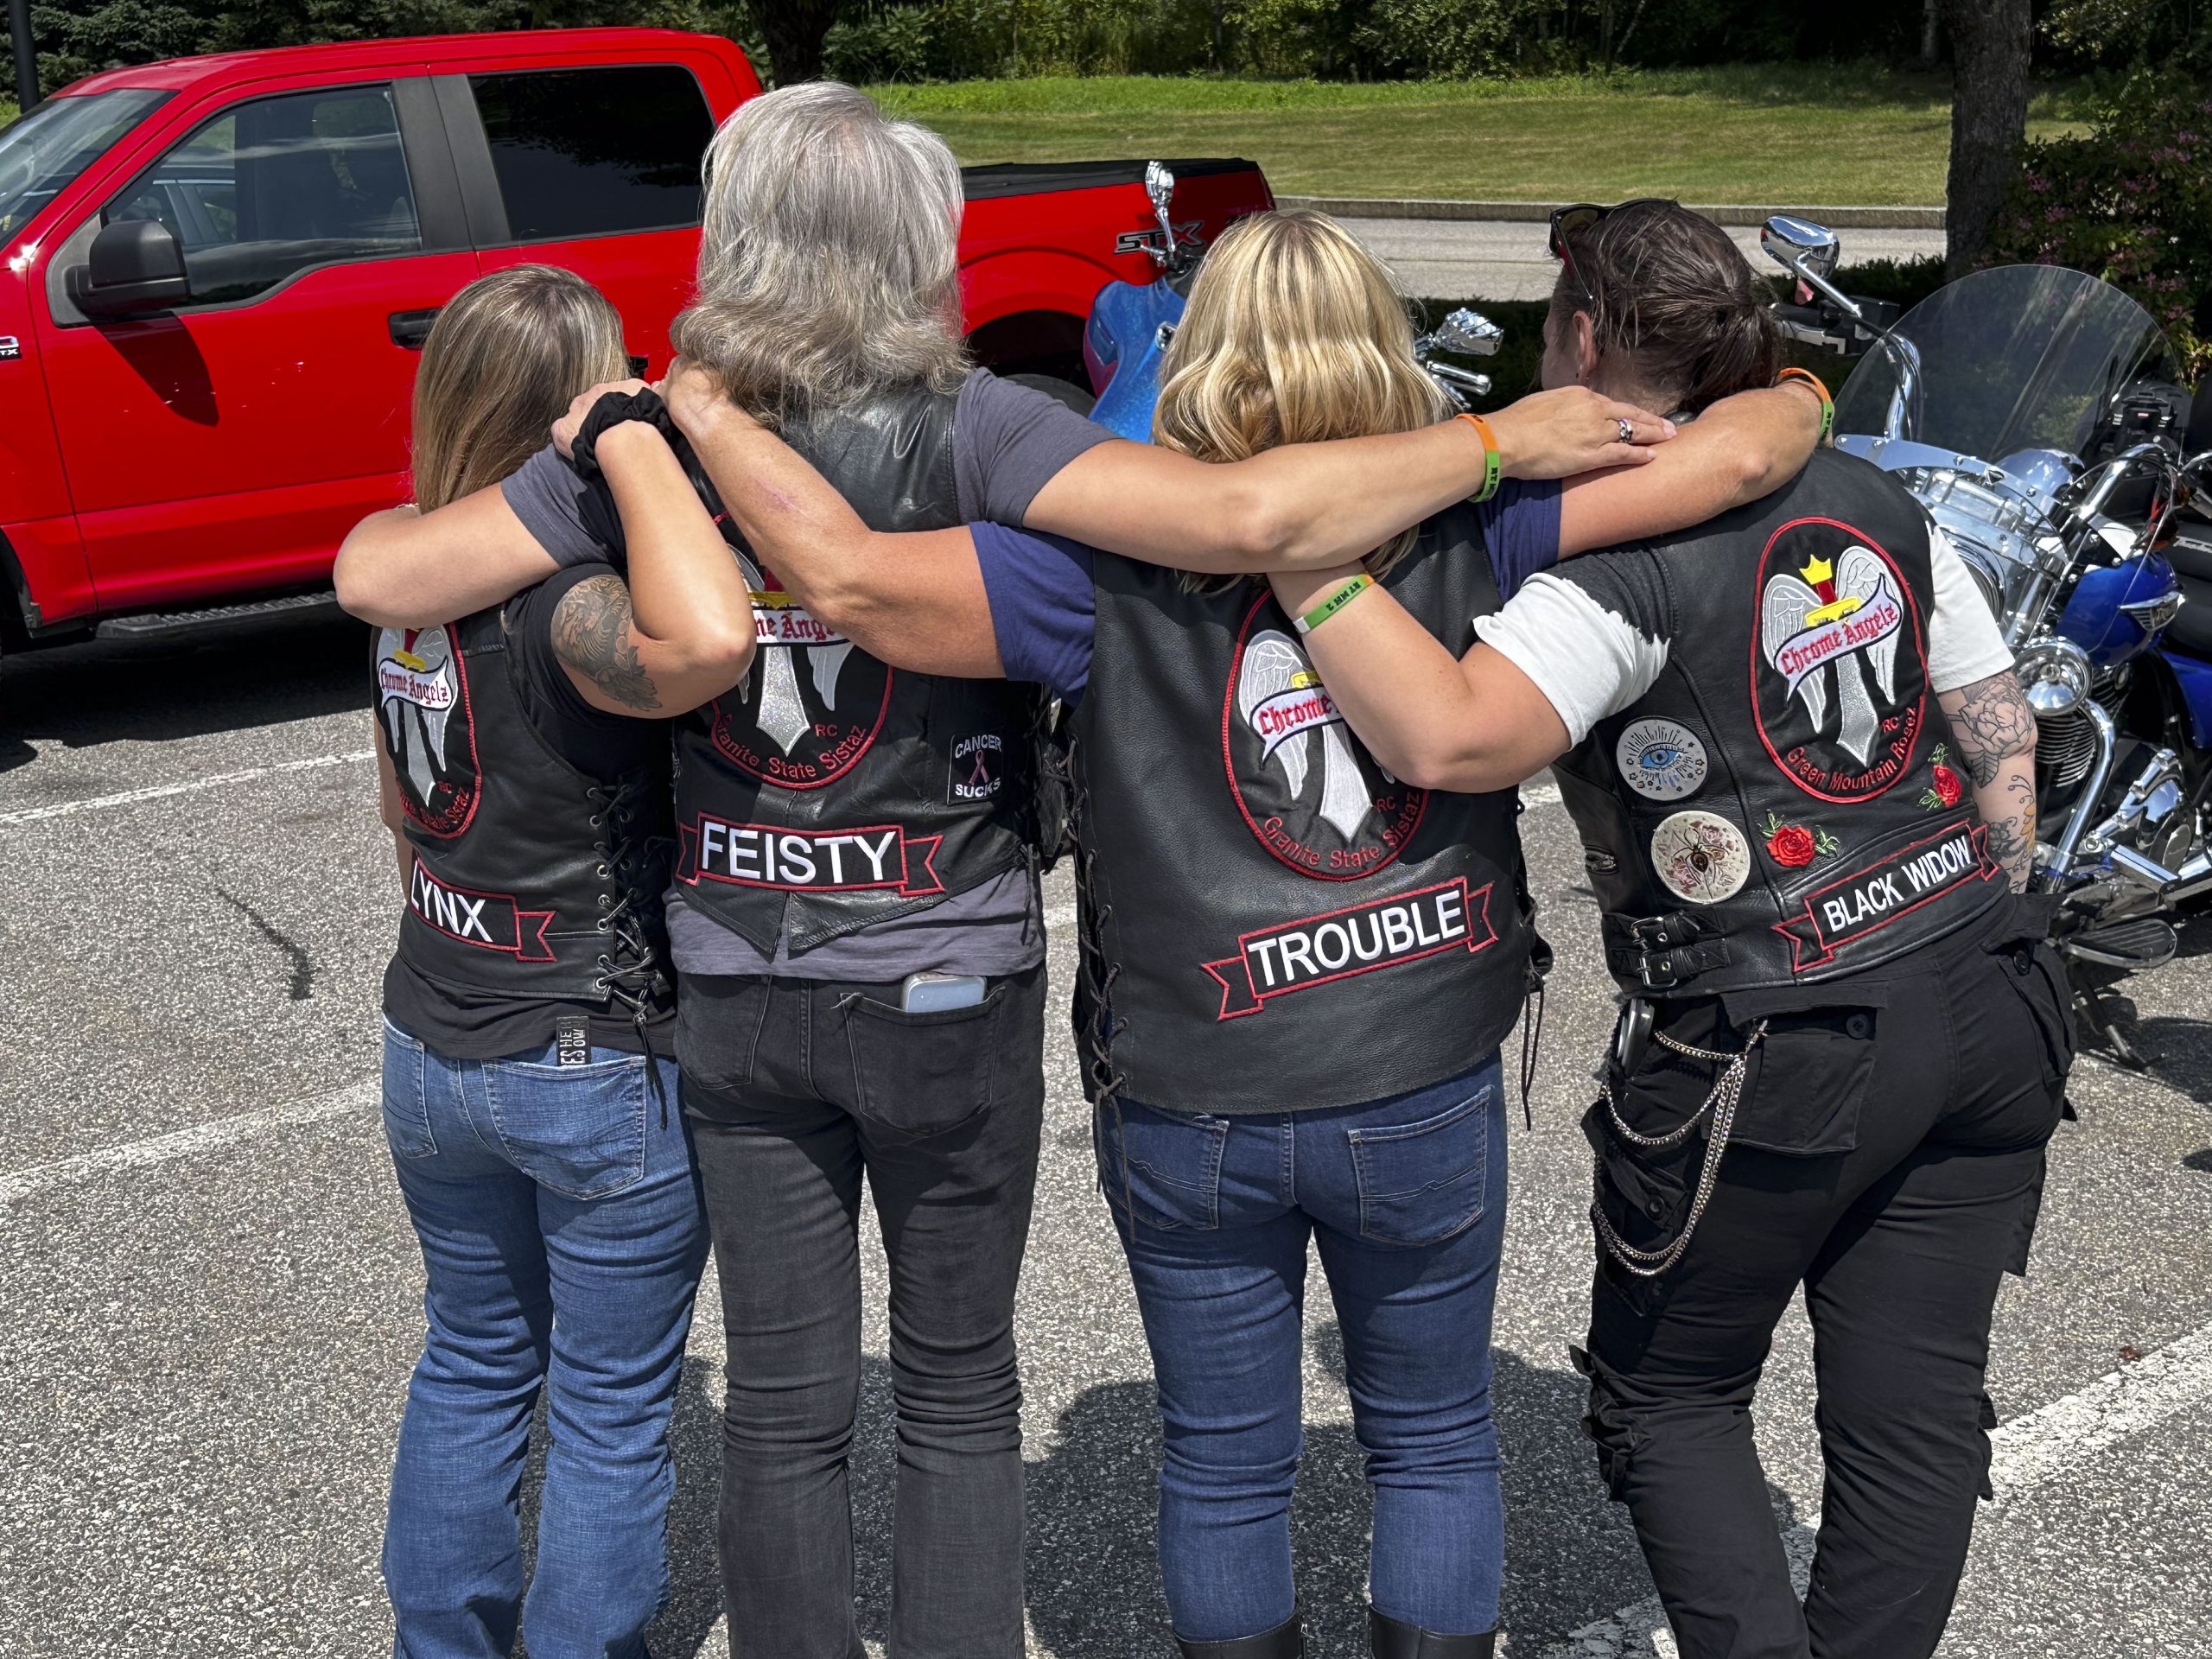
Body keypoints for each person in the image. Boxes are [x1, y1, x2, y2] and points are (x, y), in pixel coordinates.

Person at [332, 86, 1825, 1659]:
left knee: (808, 1407)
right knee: (1064, 1395)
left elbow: (389, 568)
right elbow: (1318, 512)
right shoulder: (1035, 443)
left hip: (791, 979)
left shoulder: (842, 502)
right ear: (922, 245)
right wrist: (1742, 399)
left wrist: (675, 430)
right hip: (1052, 993)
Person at [1256, 200, 2066, 1659]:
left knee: (1669, 1394)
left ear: (1575, 335)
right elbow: (1997, 732)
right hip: (1986, 992)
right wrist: (1978, 917)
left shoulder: (1600, 572)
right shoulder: (1871, 491)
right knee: (1915, 1405)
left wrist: (1307, 563)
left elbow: (1452, 740)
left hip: (1785, 1032)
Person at [355, 265, 755, 1659]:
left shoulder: (407, 567)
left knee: (468, 1363)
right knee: (606, 1404)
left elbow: (408, 821)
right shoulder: (570, 604)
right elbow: (707, 645)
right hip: (584, 1045)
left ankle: (443, 1643)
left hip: (428, 1034)